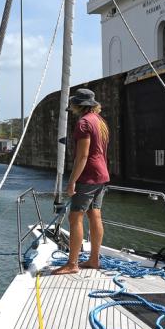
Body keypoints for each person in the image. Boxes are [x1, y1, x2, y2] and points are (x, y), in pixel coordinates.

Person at [52, 88, 110, 275]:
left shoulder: (84, 123)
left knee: (75, 217)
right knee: (95, 215)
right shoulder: (100, 122)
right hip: (101, 175)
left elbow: (82, 156)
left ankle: (72, 264)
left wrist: (72, 182)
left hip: (88, 176)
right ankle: (94, 259)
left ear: (78, 106)